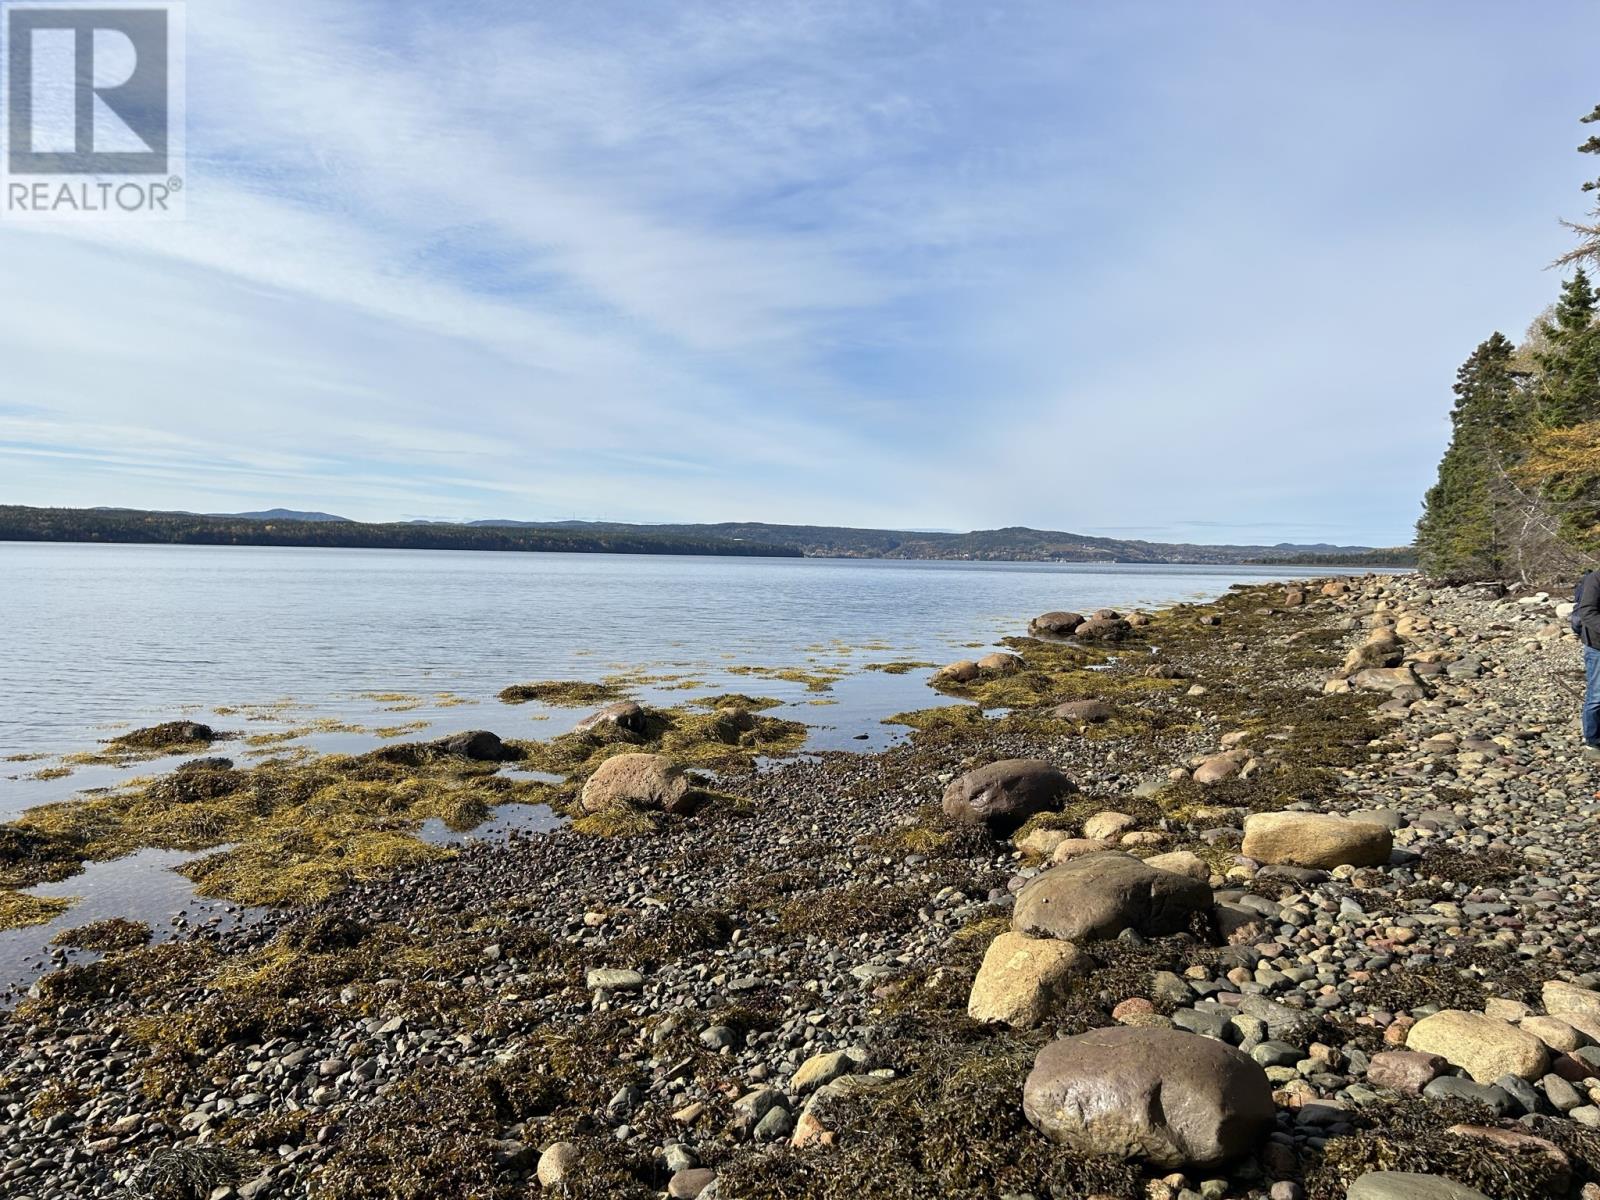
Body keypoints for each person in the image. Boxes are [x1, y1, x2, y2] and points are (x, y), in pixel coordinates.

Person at [1577, 569, 1600, 760]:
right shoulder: (1596, 578)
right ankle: (1592, 742)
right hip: (1597, 646)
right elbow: (1587, 612)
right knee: (1597, 695)